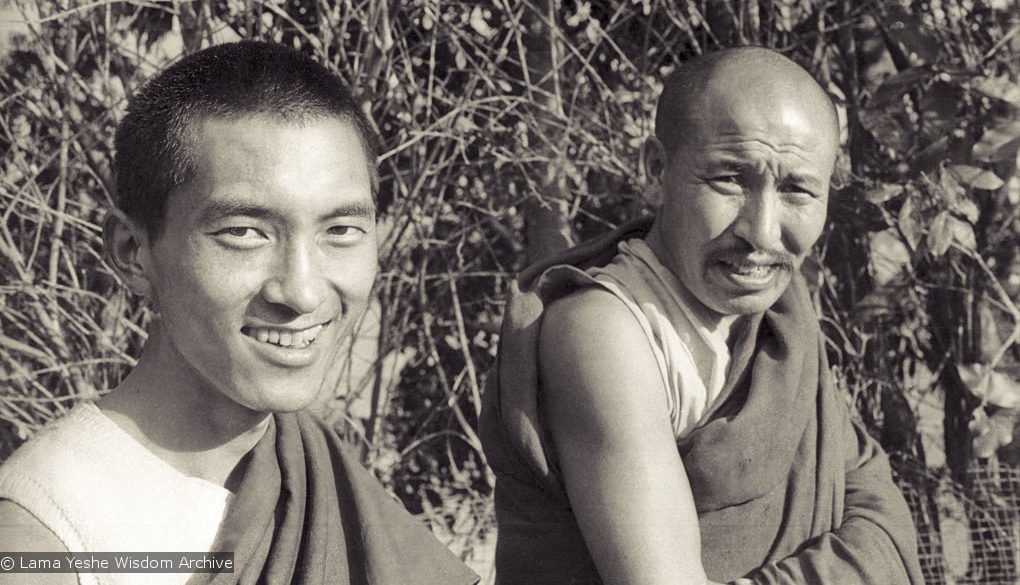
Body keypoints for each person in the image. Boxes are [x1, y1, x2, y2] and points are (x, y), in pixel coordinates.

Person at [0, 41, 479, 585]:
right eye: (244, 233)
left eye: (340, 231)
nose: (301, 292)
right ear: (134, 254)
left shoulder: (325, 491)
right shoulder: (48, 540)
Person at [479, 46, 924, 584]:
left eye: (797, 190)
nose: (762, 233)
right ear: (656, 171)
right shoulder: (605, 332)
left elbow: (875, 503)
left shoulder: (777, 320)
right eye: (729, 180)